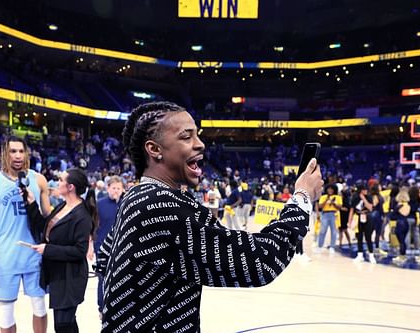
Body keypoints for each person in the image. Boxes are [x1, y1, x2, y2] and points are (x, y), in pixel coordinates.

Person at [96, 102, 323, 332]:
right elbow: (260, 262)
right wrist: (302, 197)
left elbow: (104, 257)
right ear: (155, 150)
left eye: (197, 135)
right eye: (186, 137)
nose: (200, 144)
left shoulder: (134, 195)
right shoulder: (165, 206)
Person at [0, 136, 50, 333]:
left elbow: (48, 218)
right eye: (12, 151)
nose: (17, 155)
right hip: (6, 255)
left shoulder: (39, 180)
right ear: (4, 153)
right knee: (6, 312)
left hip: (34, 254)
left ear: (26, 153)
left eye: (21, 151)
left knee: (40, 306)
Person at [24, 168, 98, 333]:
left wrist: (48, 250)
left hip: (71, 276)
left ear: (70, 187)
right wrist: (31, 204)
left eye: (61, 180)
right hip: (58, 273)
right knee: (67, 323)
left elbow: (80, 251)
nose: (57, 182)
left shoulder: (82, 215)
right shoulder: (63, 206)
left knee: (63, 324)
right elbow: (45, 228)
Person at [92, 175, 124, 316]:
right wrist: (91, 245)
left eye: (118, 188)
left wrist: (120, 203)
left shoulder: (126, 203)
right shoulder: (99, 204)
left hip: (122, 247)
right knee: (102, 278)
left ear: (123, 189)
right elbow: (93, 226)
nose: (116, 191)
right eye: (113, 188)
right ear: (107, 188)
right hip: (102, 247)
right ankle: (102, 307)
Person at [317, 184, 342, 253]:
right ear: (326, 189)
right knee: (322, 231)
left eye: (332, 189)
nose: (330, 190)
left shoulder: (338, 197)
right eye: (329, 189)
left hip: (334, 214)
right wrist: (326, 200)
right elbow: (320, 206)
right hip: (325, 214)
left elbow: (340, 207)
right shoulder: (323, 197)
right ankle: (320, 246)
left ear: (334, 190)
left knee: (334, 231)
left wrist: (333, 203)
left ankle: (332, 246)